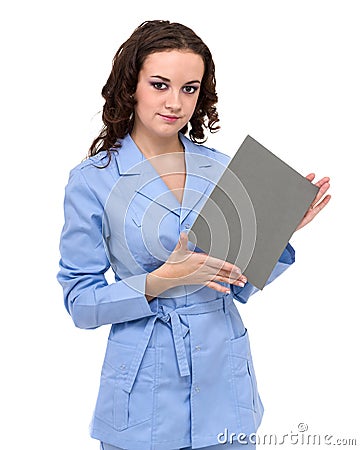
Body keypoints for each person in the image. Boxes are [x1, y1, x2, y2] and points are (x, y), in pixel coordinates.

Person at [57, 20, 331, 450]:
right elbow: (80, 303)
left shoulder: (223, 169)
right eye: (160, 84)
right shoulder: (92, 180)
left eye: (190, 88)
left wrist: (275, 233)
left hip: (225, 384)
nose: (175, 102)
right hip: (142, 392)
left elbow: (236, 288)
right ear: (131, 86)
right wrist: (160, 280)